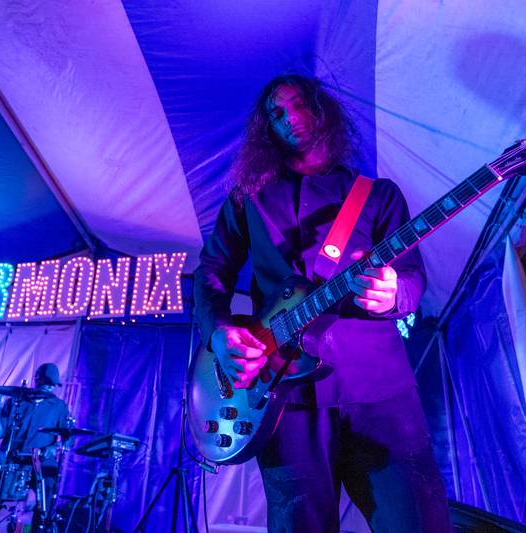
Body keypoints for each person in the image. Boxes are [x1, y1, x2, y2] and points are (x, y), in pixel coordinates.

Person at [194, 74, 452, 532]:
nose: (289, 117)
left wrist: (394, 293)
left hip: (379, 392)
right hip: (282, 398)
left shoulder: (378, 195)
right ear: (266, 129)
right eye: (276, 113)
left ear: (321, 108)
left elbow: (413, 279)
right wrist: (218, 329)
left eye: (298, 105)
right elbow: (211, 270)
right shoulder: (247, 198)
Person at [0, 362, 71, 527]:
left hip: (41, 461)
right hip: (14, 459)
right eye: (46, 383)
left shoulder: (59, 407)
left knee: (48, 484)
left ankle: (38, 526)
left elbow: (69, 437)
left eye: (52, 385)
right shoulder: (16, 401)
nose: (49, 388)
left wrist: (54, 448)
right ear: (37, 380)